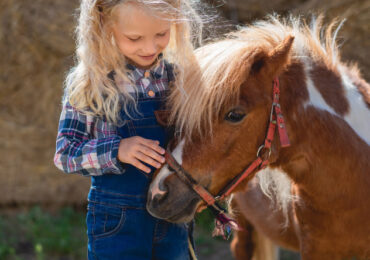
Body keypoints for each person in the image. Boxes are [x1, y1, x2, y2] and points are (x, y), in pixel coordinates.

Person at [53, 0, 203, 259]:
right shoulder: (91, 84)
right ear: (105, 27)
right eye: (134, 38)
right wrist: (117, 150)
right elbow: (65, 153)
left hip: (172, 216)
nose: (150, 47)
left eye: (161, 34)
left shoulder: (180, 79)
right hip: (117, 222)